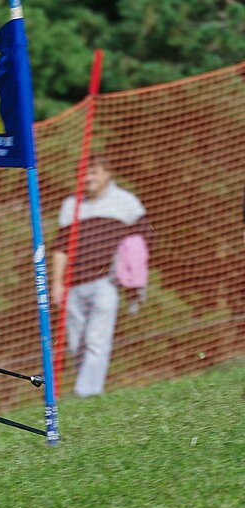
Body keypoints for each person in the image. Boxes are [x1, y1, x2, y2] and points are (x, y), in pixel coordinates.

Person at [51, 154, 148, 398]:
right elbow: (60, 247)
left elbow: (143, 241)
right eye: (84, 173)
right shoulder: (71, 205)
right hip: (73, 285)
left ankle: (86, 393)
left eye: (94, 172)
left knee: (96, 340)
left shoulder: (125, 202)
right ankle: (86, 391)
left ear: (107, 173)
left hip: (107, 283)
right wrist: (57, 284)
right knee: (77, 344)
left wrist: (133, 276)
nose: (88, 178)